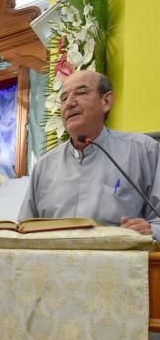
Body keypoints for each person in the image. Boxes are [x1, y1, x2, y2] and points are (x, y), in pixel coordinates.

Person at [18, 70, 160, 239]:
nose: (69, 103)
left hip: (119, 262)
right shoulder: (45, 166)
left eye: (81, 92)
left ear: (106, 101)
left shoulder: (144, 151)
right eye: (63, 98)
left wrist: (151, 230)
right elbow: (24, 230)